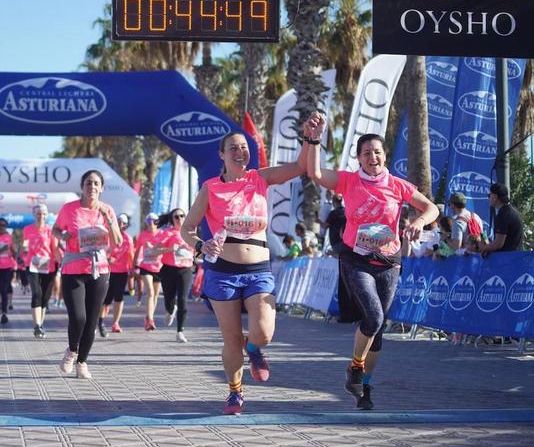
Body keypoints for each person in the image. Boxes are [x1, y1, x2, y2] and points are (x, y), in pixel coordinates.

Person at [306, 111, 438, 411]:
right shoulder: (348, 181)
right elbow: (314, 173)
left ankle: (363, 386)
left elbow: (432, 209)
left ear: (384, 155)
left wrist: (418, 221)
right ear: (358, 158)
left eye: (377, 152)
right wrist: (313, 138)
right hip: (356, 259)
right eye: (367, 153)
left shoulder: (398, 185)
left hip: (389, 262)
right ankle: (354, 367)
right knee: (374, 317)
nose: (373, 157)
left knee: (377, 330)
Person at [181, 130, 310, 415]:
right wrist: (202, 246)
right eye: (233, 148)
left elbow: (300, 167)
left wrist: (309, 140)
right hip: (222, 272)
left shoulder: (259, 179)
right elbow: (187, 228)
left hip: (258, 269)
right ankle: (235, 392)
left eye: (243, 147)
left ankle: (254, 349)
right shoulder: (211, 188)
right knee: (231, 339)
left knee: (263, 332)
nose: (240, 152)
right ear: (222, 155)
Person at [52, 169, 122, 379]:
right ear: (82, 187)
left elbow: (117, 241)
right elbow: (55, 229)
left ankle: (82, 362)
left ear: (101, 188)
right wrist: (64, 234)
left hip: (99, 270)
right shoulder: (69, 209)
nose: (92, 187)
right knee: (78, 317)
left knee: (92, 320)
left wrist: (108, 221)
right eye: (88, 183)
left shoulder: (107, 210)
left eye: (96, 183)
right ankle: (72, 351)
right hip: (73, 268)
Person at [21, 203, 60, 339]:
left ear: (47, 215)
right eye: (38, 213)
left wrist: (60, 259)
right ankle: (37, 325)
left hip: (48, 265)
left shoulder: (50, 231)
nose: (41, 216)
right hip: (32, 265)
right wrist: (24, 249)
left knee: (45, 296)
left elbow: (54, 248)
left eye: (43, 214)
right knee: (36, 293)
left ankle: (40, 324)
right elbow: (25, 244)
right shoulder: (27, 229)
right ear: (34, 215)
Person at [158, 208, 194, 342]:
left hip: (185, 270)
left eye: (182, 216)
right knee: (169, 299)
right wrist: (169, 249)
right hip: (168, 270)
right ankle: (170, 309)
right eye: (176, 217)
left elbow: (196, 250)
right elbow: (154, 251)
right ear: (172, 219)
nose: (179, 219)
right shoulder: (167, 233)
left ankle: (180, 331)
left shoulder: (190, 233)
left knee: (183, 300)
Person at [101, 213, 134, 335]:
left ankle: (115, 323)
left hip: (122, 271)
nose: (120, 225)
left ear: (126, 225)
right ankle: (100, 321)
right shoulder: (108, 237)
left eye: (123, 223)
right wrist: (107, 259)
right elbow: (102, 251)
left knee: (119, 297)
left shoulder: (128, 238)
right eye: (118, 222)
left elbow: (131, 255)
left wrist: (132, 270)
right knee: (106, 299)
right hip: (107, 271)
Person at [134, 212, 167, 331]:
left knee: (156, 295)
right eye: (149, 222)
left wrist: (156, 248)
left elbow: (166, 249)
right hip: (145, 266)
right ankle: (150, 320)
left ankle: (149, 316)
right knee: (150, 292)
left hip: (158, 267)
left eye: (154, 221)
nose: (151, 224)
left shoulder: (162, 234)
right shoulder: (142, 235)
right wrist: (134, 265)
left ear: (158, 223)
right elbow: (137, 251)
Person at [480, 182, 523, 255]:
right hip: (517, 258)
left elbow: (498, 244)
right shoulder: (514, 211)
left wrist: (482, 249)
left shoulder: (503, 214)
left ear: (495, 197)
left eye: (489, 195)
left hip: (506, 260)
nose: (488, 198)